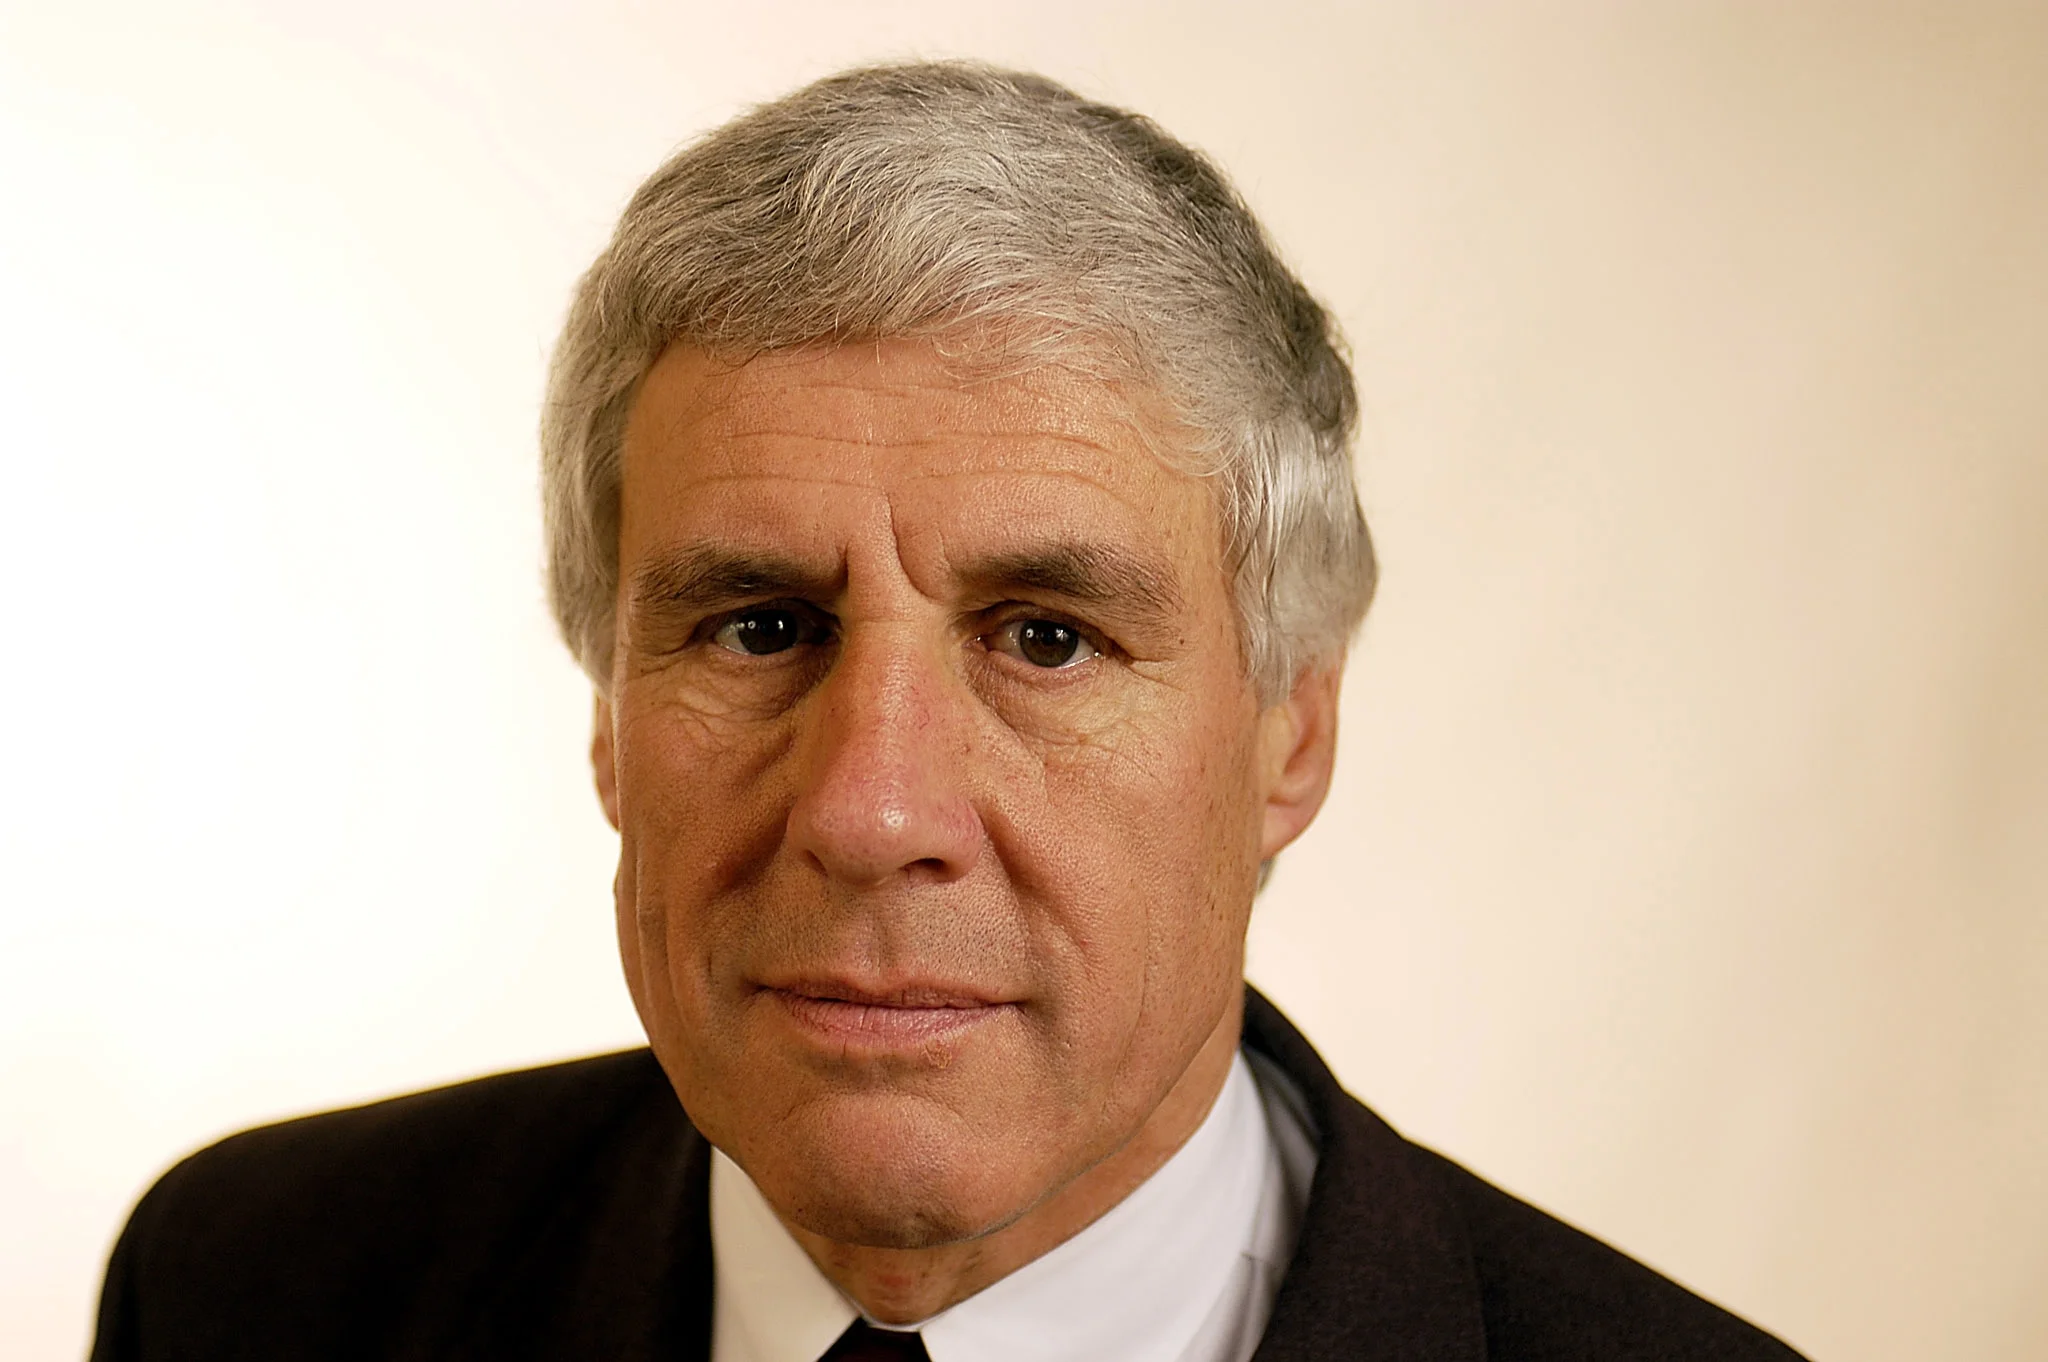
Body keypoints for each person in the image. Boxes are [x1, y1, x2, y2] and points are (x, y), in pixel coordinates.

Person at [91, 61, 1806, 1362]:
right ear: (607, 717)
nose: (872, 807)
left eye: (1046, 639)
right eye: (760, 626)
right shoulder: (246, 1294)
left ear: (1292, 731)